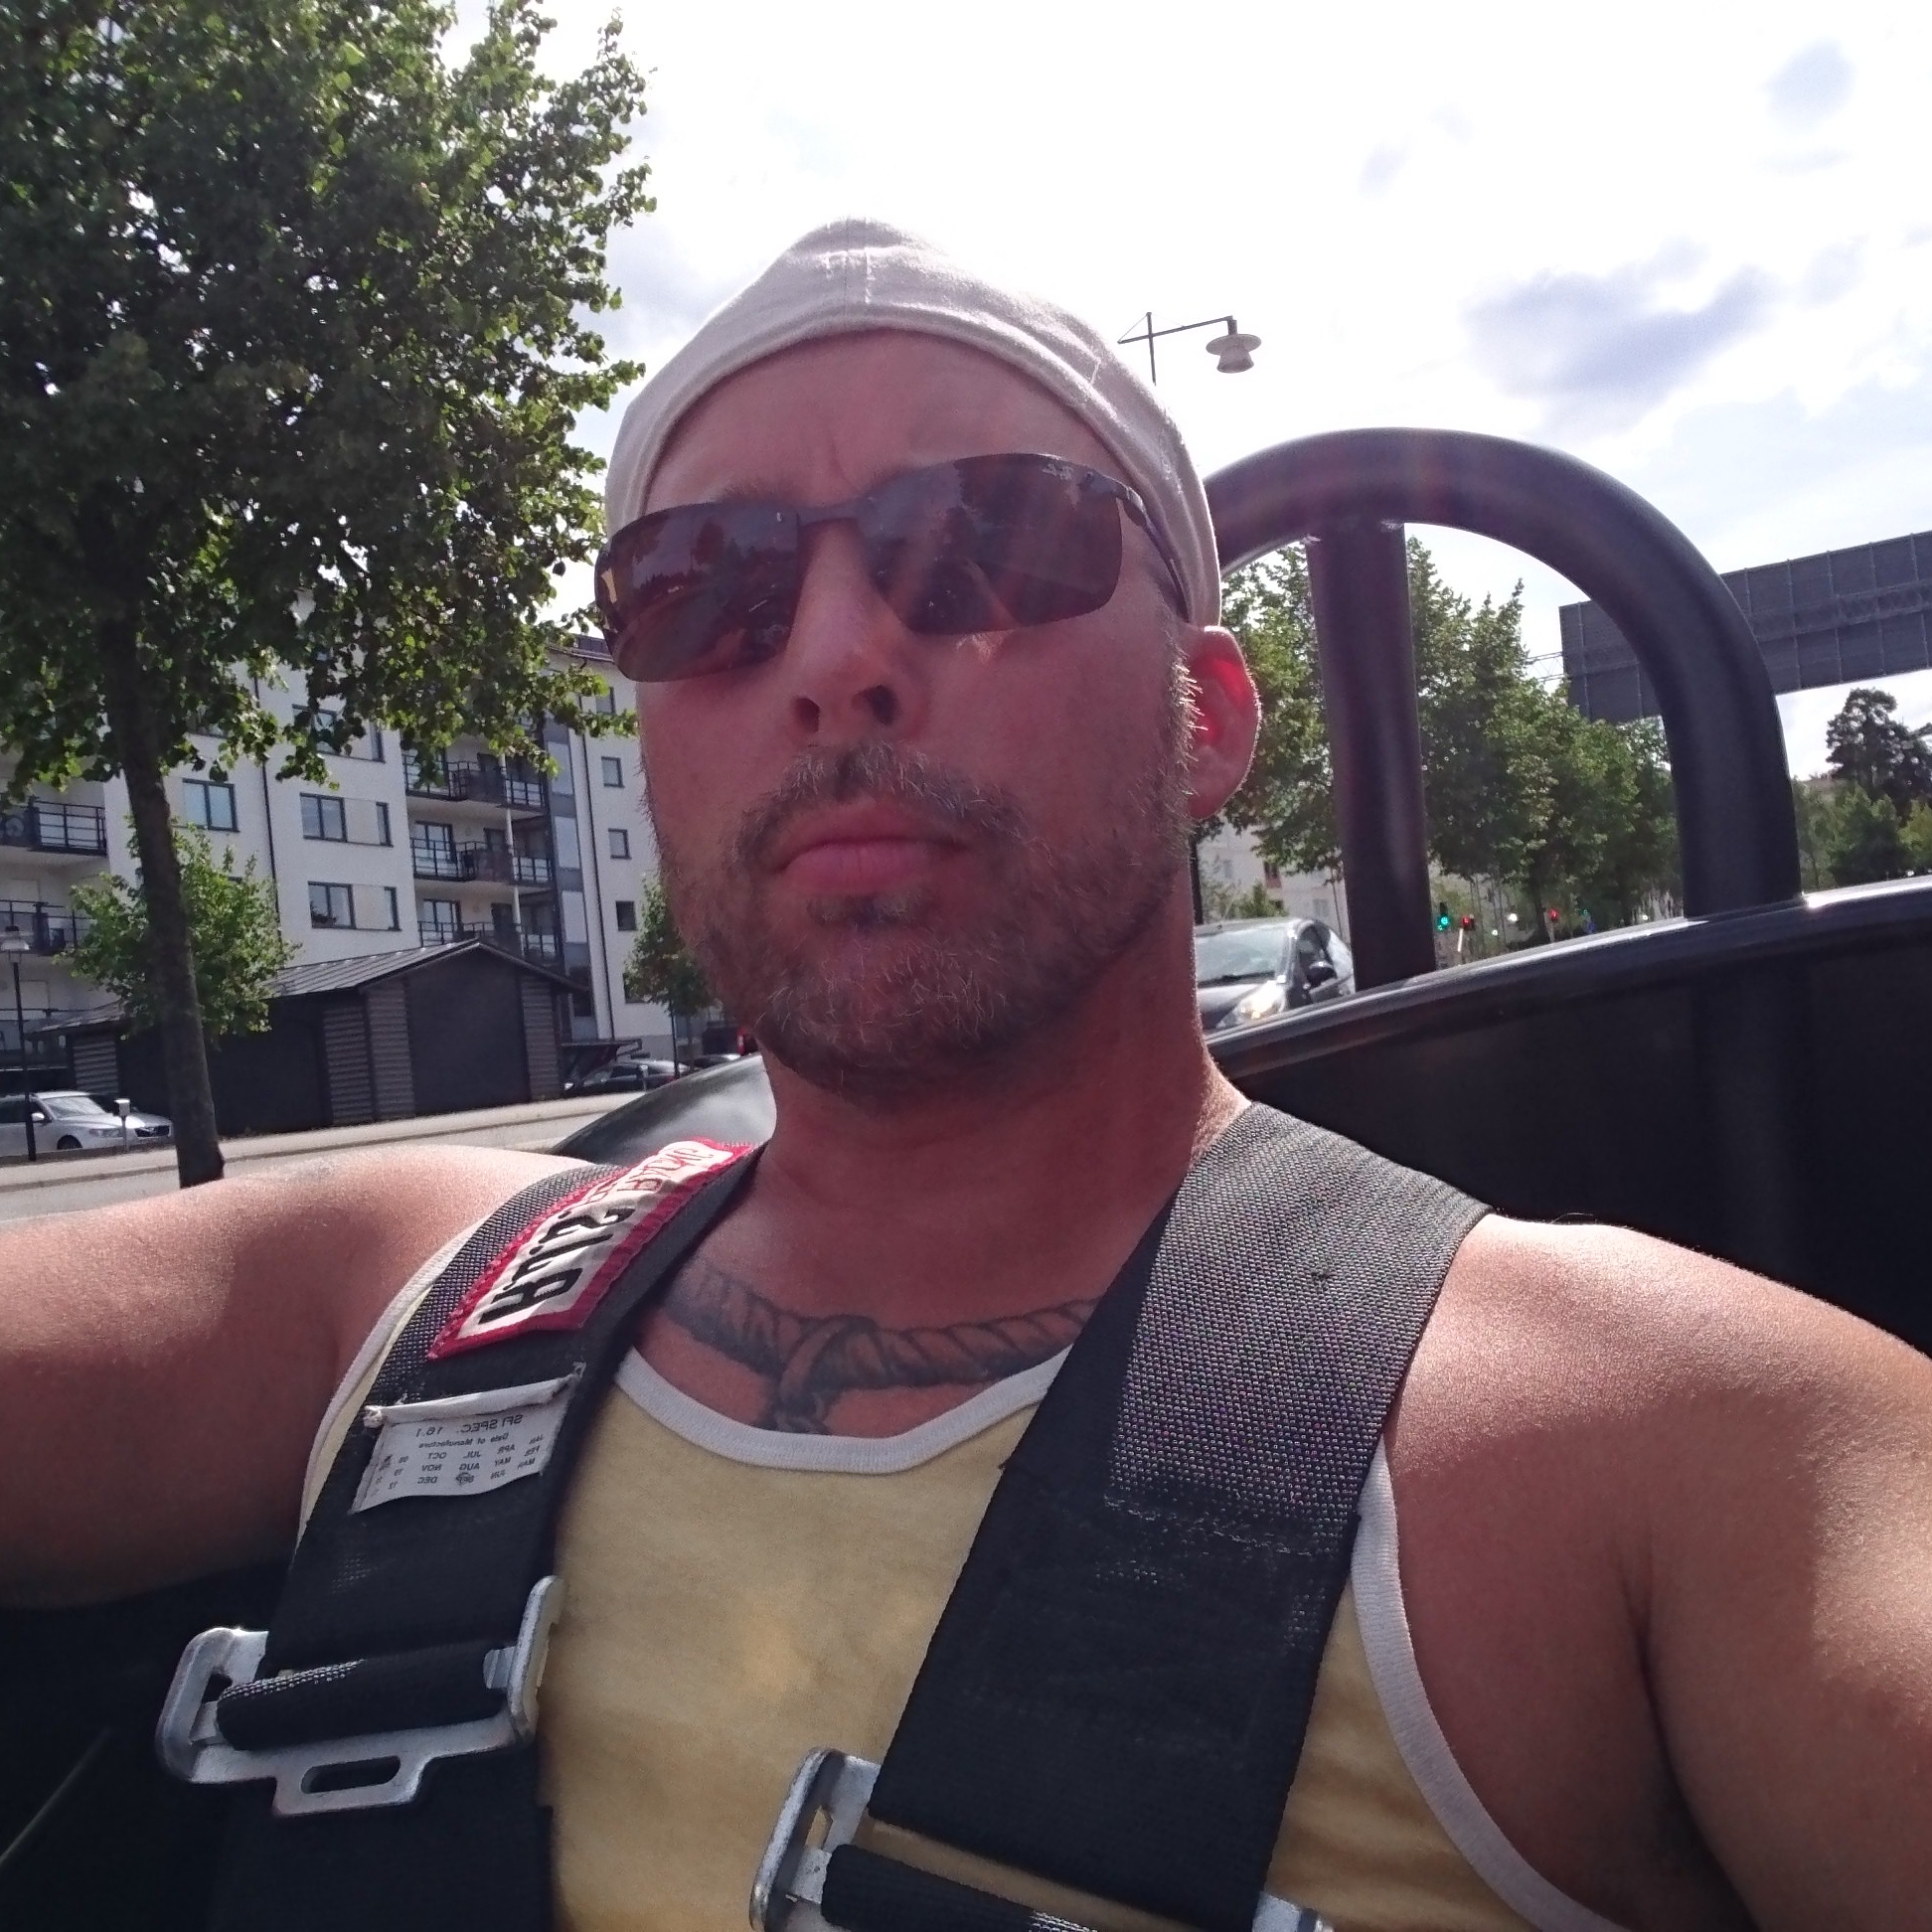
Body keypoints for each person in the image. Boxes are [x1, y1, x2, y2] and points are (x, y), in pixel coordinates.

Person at [3, 220, 1929, 1932]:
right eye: (704, 586)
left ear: (1206, 719)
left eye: (982, 539)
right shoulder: (396, 1282)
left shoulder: (1644, 1445)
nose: (836, 654)